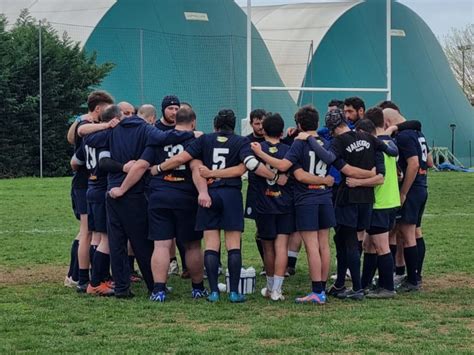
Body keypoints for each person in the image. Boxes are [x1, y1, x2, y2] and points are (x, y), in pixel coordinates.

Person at [146, 109, 278, 303]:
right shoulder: (241, 142)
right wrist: (273, 176)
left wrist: (158, 168)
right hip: (231, 195)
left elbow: (181, 158)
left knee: (210, 245)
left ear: (215, 125)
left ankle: (214, 291)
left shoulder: (204, 139)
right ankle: (233, 292)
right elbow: (247, 166)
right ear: (234, 126)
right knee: (233, 245)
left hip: (210, 193)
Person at [252, 105, 376, 303]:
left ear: (299, 124)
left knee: (311, 246)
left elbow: (285, 167)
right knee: (324, 245)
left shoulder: (299, 144)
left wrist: (261, 154)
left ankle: (317, 291)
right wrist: (370, 174)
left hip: (306, 199)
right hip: (325, 198)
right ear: (318, 124)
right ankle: (323, 290)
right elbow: (345, 168)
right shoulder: (327, 143)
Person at [109, 108, 209, 302]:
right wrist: (203, 192)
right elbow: (196, 169)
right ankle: (197, 288)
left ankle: (159, 290)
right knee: (192, 245)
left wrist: (121, 189)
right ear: (193, 122)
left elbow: (140, 166)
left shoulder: (157, 140)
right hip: (186, 198)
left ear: (174, 121)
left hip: (159, 197)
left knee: (161, 245)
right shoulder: (195, 140)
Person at [315, 109, 398, 300]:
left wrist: (310, 141)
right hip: (367, 200)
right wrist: (370, 173)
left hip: (348, 197)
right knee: (344, 240)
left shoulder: (339, 141)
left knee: (349, 241)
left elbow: (330, 159)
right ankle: (340, 284)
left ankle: (358, 288)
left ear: (332, 128)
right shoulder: (367, 137)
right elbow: (391, 151)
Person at [71, 105, 122, 296]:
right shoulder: (107, 137)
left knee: (92, 236)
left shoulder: (89, 138)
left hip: (89, 189)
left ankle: (84, 279)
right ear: (114, 120)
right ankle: (96, 282)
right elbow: (104, 163)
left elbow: (75, 163)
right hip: (101, 190)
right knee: (106, 239)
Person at [65, 91, 114, 291]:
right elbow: (75, 155)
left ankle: (85, 276)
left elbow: (74, 159)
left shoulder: (85, 124)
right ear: (99, 108)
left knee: (91, 233)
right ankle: (80, 277)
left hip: (87, 183)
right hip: (87, 184)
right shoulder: (90, 127)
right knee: (87, 233)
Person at [351, 113, 400, 298]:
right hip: (391, 200)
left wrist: (357, 182)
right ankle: (364, 284)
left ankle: (387, 288)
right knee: (369, 244)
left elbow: (378, 177)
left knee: (381, 246)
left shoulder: (375, 149)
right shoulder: (389, 144)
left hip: (380, 203)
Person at [383, 108, 429, 292]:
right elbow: (429, 161)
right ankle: (413, 275)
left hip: (412, 189)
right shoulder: (418, 133)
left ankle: (412, 280)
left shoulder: (403, 136)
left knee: (407, 234)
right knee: (415, 232)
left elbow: (415, 163)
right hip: (422, 187)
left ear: (388, 122)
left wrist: (403, 192)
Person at [245, 109, 267, 274]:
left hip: (275, 189)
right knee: (261, 229)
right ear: (251, 124)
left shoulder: (275, 138)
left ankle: (284, 264)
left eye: (262, 123)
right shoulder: (246, 142)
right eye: (257, 123)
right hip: (255, 189)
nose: (260, 127)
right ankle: (267, 264)